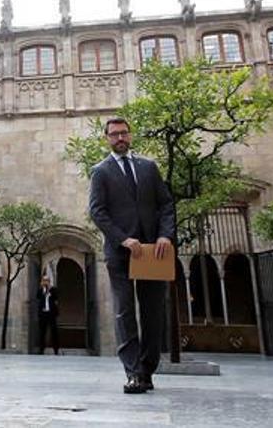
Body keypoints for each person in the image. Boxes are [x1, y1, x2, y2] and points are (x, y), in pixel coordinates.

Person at [88, 117, 176, 394]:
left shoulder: (149, 167)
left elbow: (166, 205)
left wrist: (165, 235)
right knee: (124, 312)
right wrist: (123, 239)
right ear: (107, 138)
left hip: (152, 251)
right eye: (114, 134)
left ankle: (147, 370)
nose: (120, 138)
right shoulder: (100, 171)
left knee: (153, 313)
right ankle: (133, 372)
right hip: (120, 253)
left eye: (124, 133)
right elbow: (97, 212)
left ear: (130, 135)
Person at [35, 275, 60, 355]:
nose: (45, 282)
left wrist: (49, 289)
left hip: (51, 314)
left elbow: (56, 298)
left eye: (47, 280)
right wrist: (42, 289)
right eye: (44, 280)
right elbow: (37, 297)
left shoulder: (53, 290)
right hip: (43, 314)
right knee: (42, 332)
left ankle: (56, 349)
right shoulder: (41, 290)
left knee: (54, 332)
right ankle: (41, 349)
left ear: (49, 281)